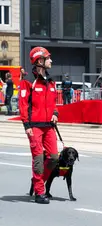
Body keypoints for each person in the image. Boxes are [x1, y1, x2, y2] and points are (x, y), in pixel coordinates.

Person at [19, 46, 59, 204]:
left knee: (54, 158)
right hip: (34, 126)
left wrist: (55, 114)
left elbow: (54, 103)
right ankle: (40, 192)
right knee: (38, 159)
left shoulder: (51, 81)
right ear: (40, 61)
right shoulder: (28, 82)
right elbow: (23, 105)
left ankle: (38, 181)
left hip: (49, 126)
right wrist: (26, 125)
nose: (51, 61)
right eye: (48, 58)